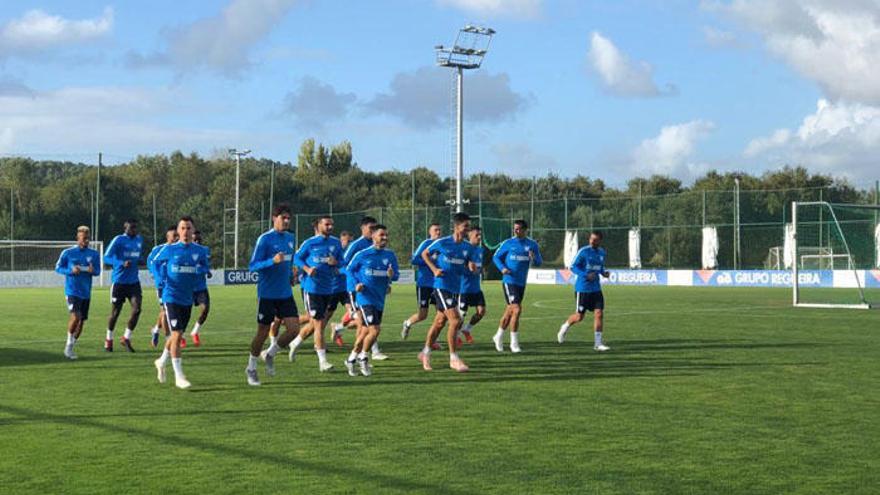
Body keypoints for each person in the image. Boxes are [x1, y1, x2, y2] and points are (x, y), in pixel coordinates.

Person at [151, 216, 210, 389]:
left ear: (193, 231)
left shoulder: (200, 250)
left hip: (187, 298)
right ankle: (179, 375)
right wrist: (160, 279)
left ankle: (161, 361)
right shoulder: (170, 249)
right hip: (171, 297)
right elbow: (155, 263)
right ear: (178, 231)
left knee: (176, 336)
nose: (185, 231)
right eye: (182, 228)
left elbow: (205, 266)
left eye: (188, 228)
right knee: (176, 334)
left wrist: (202, 270)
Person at [247, 203, 303, 386]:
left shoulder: (290, 238)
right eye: (283, 218)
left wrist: (291, 276)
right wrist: (272, 261)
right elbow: (253, 265)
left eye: (288, 218)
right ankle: (251, 368)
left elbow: (289, 262)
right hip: (267, 294)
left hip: (285, 293)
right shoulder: (264, 239)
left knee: (294, 330)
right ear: (274, 218)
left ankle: (270, 353)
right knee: (262, 333)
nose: (286, 221)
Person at [417, 212, 472, 372]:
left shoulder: (467, 247)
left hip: (455, 288)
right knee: (455, 321)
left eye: (468, 226)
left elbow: (467, 263)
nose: (467, 229)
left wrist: (470, 267)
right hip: (441, 286)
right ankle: (453, 358)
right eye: (465, 226)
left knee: (440, 323)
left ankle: (425, 353)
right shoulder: (443, 242)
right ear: (456, 227)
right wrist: (434, 269)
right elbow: (424, 254)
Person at [344, 224, 399, 376]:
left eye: (386, 235)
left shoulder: (390, 255)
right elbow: (348, 270)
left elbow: (396, 276)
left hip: (379, 298)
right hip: (365, 297)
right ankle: (363, 357)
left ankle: (351, 359)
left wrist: (391, 275)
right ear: (373, 236)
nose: (385, 238)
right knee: (375, 330)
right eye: (382, 235)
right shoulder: (363, 254)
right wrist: (356, 285)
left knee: (364, 332)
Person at [290, 215, 343, 372]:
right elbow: (296, 258)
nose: (330, 227)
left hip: (328, 288)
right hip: (312, 288)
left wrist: (336, 263)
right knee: (319, 324)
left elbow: (343, 261)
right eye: (327, 224)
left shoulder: (335, 243)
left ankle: (296, 341)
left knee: (315, 323)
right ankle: (323, 362)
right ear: (318, 226)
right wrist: (307, 269)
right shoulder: (310, 243)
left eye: (331, 225)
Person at [492, 219, 543, 353]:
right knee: (517, 309)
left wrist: (534, 258)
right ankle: (514, 343)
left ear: (525, 230)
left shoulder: (532, 244)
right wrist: (502, 268)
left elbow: (539, 262)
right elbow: (496, 257)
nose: (516, 231)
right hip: (509, 281)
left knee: (510, 312)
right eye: (515, 228)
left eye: (519, 229)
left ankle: (498, 336)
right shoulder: (508, 243)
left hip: (521, 283)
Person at [342, 216, 388, 361]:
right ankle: (365, 353)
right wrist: (355, 283)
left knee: (366, 325)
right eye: (371, 228)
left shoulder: (382, 250)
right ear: (363, 228)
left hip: (372, 291)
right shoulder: (356, 245)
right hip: (356, 289)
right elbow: (345, 266)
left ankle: (357, 353)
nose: (373, 230)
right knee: (365, 324)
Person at [557, 230, 611, 351]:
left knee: (599, 313)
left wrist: (604, 273)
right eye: (591, 239)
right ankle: (565, 326)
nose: (592, 241)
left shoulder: (602, 252)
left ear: (600, 241)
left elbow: (600, 267)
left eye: (595, 240)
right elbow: (572, 267)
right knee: (579, 317)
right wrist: (585, 275)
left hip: (596, 289)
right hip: (583, 289)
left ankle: (598, 344)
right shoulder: (583, 251)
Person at [55, 226, 101, 360]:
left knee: (81, 322)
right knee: (75, 317)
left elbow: (97, 271)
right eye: (83, 238)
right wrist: (71, 271)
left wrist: (93, 271)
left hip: (86, 292)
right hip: (72, 291)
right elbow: (58, 268)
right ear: (78, 238)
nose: (86, 241)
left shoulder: (94, 254)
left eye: (88, 238)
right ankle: (68, 346)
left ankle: (71, 345)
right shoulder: (68, 253)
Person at [104, 218, 144, 352]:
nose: (134, 230)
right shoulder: (118, 240)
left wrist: (141, 261)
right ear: (125, 228)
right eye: (131, 228)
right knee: (115, 313)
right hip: (119, 282)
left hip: (133, 282)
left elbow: (137, 256)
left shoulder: (139, 240)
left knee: (137, 309)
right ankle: (109, 339)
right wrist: (121, 263)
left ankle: (126, 337)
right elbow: (106, 257)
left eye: (135, 227)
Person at [401, 223, 442, 340]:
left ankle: (434, 338)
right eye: (435, 230)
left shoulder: (442, 245)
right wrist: (429, 260)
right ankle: (407, 323)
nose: (438, 232)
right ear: (430, 232)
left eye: (439, 230)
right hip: (424, 284)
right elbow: (414, 259)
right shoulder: (426, 244)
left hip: (438, 284)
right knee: (422, 314)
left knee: (441, 313)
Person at [147, 226, 178, 348]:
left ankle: (155, 330)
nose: (176, 238)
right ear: (168, 237)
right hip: (162, 286)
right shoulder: (159, 249)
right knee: (165, 312)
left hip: (176, 286)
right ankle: (168, 340)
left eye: (177, 235)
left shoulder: (179, 250)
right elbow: (151, 263)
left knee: (165, 311)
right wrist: (158, 277)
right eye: (173, 235)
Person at [458, 226, 486, 344]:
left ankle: (467, 329)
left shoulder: (480, 250)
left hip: (476, 289)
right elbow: (457, 268)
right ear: (469, 235)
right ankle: (456, 336)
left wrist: (478, 271)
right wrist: (467, 268)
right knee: (461, 315)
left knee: (481, 312)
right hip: (463, 289)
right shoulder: (462, 249)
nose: (479, 238)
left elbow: (479, 269)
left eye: (480, 235)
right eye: (476, 235)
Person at [330, 230, 353, 346]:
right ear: (341, 240)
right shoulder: (336, 251)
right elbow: (335, 268)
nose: (348, 243)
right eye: (347, 241)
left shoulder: (350, 253)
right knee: (321, 319)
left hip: (345, 289)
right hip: (332, 289)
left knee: (353, 313)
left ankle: (338, 328)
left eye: (350, 241)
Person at [190, 230, 212, 346]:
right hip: (188, 287)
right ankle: (181, 336)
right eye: (195, 239)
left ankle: (195, 332)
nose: (197, 241)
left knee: (205, 309)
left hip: (201, 287)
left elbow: (205, 265)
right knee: (184, 314)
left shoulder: (204, 250)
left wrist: (207, 271)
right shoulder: (186, 250)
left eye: (199, 239)